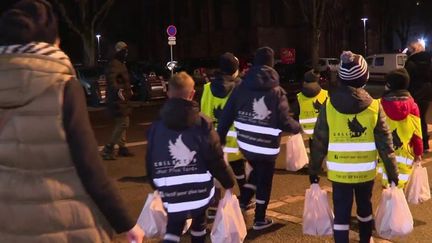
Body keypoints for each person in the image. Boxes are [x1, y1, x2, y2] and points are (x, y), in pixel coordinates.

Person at [0, 1, 143, 242]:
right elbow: (89, 164)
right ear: (51, 41)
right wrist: (124, 222)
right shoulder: (64, 86)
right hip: (64, 221)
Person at [308, 51, 399, 243]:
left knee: (341, 214)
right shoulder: (374, 107)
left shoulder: (329, 106)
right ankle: (366, 240)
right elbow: (386, 144)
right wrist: (393, 173)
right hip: (365, 173)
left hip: (339, 173)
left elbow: (319, 141)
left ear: (341, 77)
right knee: (365, 209)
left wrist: (314, 169)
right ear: (365, 78)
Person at [217, 46, 301, 230]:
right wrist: (297, 128)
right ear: (271, 65)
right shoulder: (276, 91)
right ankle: (260, 219)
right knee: (264, 180)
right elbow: (285, 120)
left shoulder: (240, 87)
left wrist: (220, 137)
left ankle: (243, 202)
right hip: (267, 147)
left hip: (246, 144)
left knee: (255, 173)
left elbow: (226, 115)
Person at [146, 72, 235, 243]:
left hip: (170, 192)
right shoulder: (202, 123)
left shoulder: (157, 125)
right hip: (199, 192)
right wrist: (228, 182)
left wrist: (156, 185)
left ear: (168, 92)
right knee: (198, 225)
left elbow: (150, 161)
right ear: (192, 94)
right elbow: (215, 158)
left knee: (173, 226)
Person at [200, 52, 247, 218]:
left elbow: (204, 114)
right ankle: (246, 199)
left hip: (215, 140)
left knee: (214, 172)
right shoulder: (241, 88)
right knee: (239, 169)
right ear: (235, 70)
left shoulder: (207, 88)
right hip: (237, 141)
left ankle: (214, 206)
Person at [378, 68, 423, 188]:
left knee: (387, 188)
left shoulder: (380, 104)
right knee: (399, 190)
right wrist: (418, 153)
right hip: (405, 156)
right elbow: (417, 134)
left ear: (389, 85)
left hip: (385, 155)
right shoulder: (413, 106)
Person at [102, 41, 134, 160]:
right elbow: (112, 80)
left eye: (126, 50)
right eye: (123, 50)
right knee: (123, 122)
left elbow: (122, 80)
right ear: (118, 51)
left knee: (124, 121)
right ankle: (108, 148)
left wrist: (128, 91)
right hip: (117, 99)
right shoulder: (115, 63)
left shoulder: (121, 63)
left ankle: (122, 147)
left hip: (122, 98)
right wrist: (119, 91)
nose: (126, 53)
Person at [404, 40, 432, 152]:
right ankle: (424, 143)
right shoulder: (429, 62)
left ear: (413, 50)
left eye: (409, 50)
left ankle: (415, 143)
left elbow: (406, 80)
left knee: (414, 119)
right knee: (422, 118)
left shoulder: (411, 63)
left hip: (415, 93)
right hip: (427, 93)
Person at [293, 69, 328, 140]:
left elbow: (295, 114)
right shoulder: (325, 94)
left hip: (306, 130)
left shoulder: (299, 97)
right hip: (322, 130)